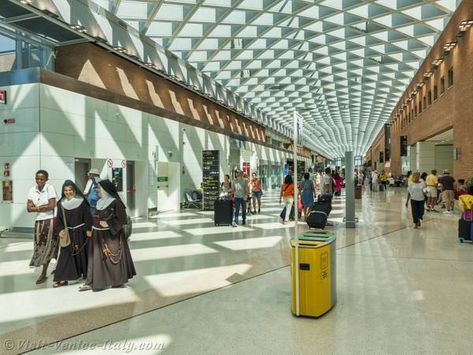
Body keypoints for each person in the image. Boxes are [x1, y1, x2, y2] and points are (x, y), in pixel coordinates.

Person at [79, 179, 136, 291]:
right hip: (97, 234)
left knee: (111, 259)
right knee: (96, 259)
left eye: (99, 188)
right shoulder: (99, 202)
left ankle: (116, 281)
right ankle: (93, 282)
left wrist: (109, 224)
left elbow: (122, 220)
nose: (97, 190)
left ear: (105, 189)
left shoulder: (116, 202)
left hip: (111, 237)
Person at [53, 180, 92, 288]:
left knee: (82, 253)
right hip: (68, 233)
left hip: (81, 231)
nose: (68, 192)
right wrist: (59, 229)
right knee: (65, 255)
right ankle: (62, 278)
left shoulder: (82, 201)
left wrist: (88, 229)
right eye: (65, 190)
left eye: (70, 190)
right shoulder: (61, 203)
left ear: (74, 190)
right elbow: (59, 219)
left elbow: (88, 216)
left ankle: (84, 274)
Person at [27, 170, 58, 284]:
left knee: (49, 246)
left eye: (42, 179)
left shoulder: (50, 188)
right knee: (39, 245)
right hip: (39, 221)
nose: (39, 181)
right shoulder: (32, 190)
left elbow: (52, 205)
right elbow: (28, 208)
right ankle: (48, 269)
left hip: (51, 220)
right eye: (37, 178)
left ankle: (44, 273)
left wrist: (37, 207)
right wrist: (42, 207)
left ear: (46, 179)